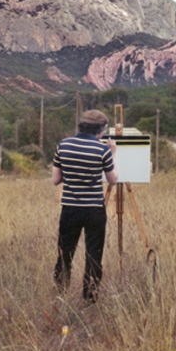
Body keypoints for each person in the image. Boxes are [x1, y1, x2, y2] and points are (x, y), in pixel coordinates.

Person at [52, 109, 118, 303]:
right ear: (99, 129)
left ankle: (60, 295)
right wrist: (112, 154)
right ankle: (90, 299)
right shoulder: (102, 150)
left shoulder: (63, 145)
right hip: (94, 209)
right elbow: (113, 180)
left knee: (65, 253)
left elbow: (56, 180)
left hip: (70, 209)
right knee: (93, 255)